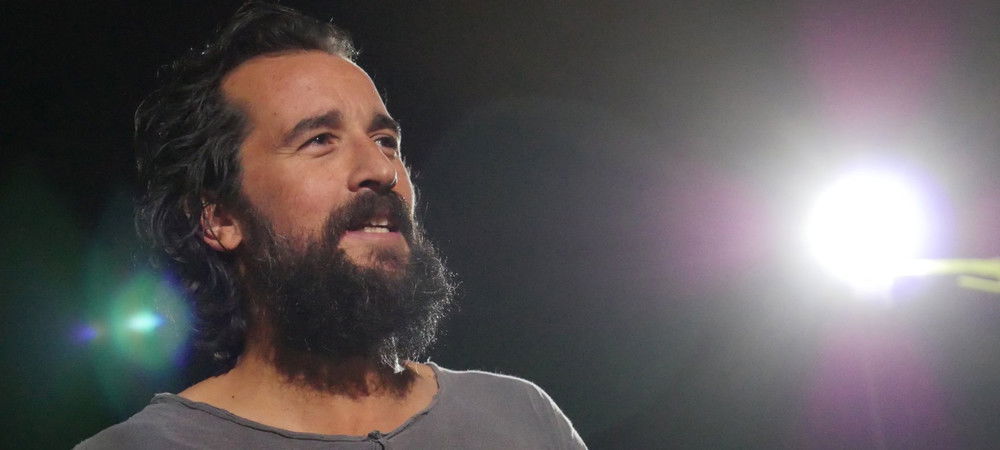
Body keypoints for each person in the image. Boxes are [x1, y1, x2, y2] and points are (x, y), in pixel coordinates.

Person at [76, 2, 585, 449]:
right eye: (319, 139)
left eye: (386, 141)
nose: (381, 169)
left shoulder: (521, 418)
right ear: (220, 219)